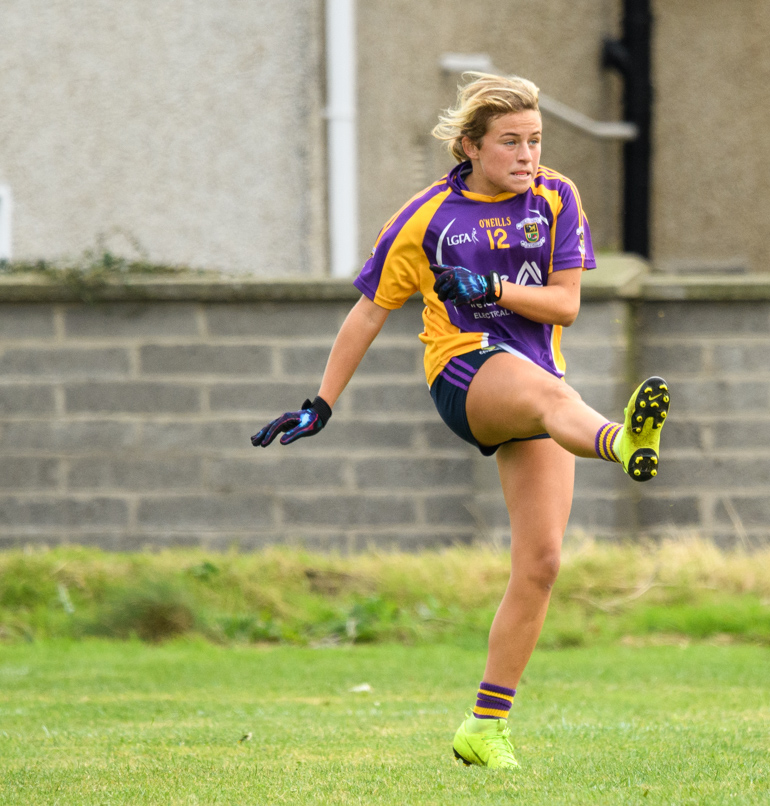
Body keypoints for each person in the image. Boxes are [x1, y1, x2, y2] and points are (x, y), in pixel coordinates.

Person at [250, 72, 670, 769]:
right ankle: (621, 441)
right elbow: (369, 311)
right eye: (510, 142)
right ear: (470, 147)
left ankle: (483, 727)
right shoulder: (425, 218)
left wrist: (494, 287)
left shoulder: (557, 197)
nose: (526, 154)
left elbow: (564, 306)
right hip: (463, 371)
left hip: (537, 382)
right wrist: (321, 401)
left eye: (534, 140)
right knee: (547, 398)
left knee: (540, 563)